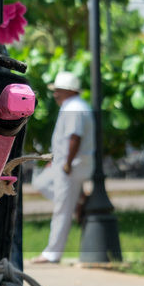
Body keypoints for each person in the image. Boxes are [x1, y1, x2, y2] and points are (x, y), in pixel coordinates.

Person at [31, 71, 94, 264]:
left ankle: (52, 253)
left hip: (71, 166)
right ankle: (76, 202)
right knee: (41, 183)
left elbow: (75, 137)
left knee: (61, 210)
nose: (55, 94)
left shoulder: (74, 108)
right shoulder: (74, 106)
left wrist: (66, 163)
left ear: (67, 90)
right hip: (66, 163)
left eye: (57, 90)